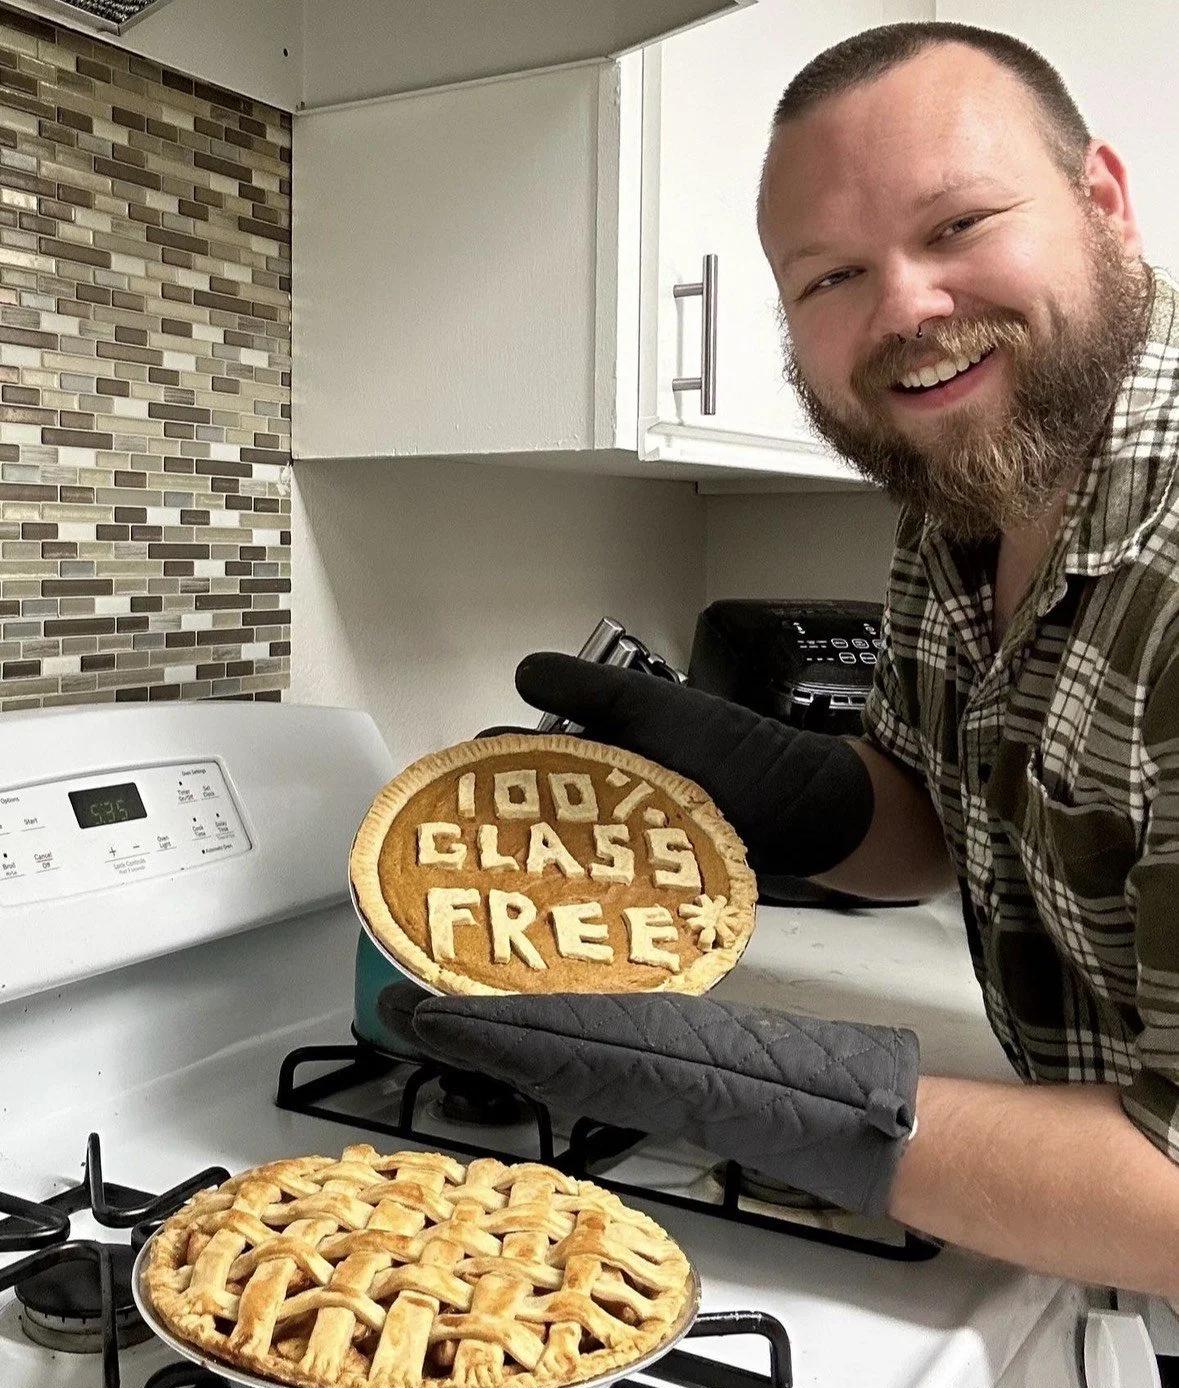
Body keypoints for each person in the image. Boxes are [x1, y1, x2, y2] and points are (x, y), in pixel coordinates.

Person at [426, 21, 1179, 1306]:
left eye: (957, 225)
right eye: (827, 277)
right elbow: (934, 832)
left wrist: (750, 1084)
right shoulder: (961, 490)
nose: (903, 310)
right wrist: (761, 783)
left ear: (1102, 201)